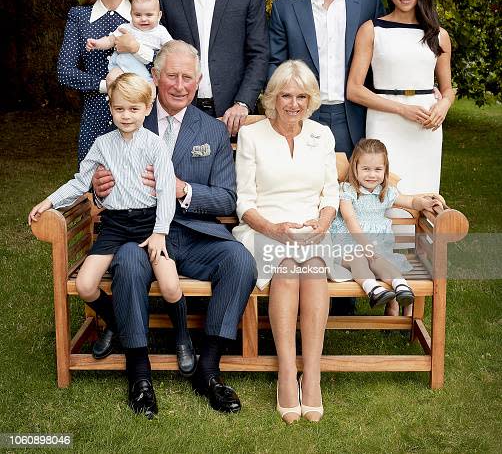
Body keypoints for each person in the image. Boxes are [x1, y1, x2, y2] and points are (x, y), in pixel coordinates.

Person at [93, 40, 257, 419]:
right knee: (130, 266)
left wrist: (183, 189)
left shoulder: (212, 132)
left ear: (198, 81)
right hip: (141, 231)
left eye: (188, 77)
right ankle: (139, 374)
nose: (180, 85)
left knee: (240, 262)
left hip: (196, 233)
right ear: (155, 77)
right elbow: (97, 179)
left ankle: (209, 370)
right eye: (172, 76)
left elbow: (226, 199)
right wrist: (99, 188)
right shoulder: (131, 117)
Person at [28, 74, 194, 376]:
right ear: (110, 108)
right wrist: (50, 201)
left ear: (147, 108)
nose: (126, 116)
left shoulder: (155, 145)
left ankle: (183, 337)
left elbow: (167, 190)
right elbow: (81, 181)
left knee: (170, 286)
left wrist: (160, 232)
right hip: (115, 224)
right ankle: (117, 324)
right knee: (85, 284)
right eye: (119, 109)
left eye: (133, 109)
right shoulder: (103, 144)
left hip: (149, 223)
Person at [233, 60, 350, 424]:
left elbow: (331, 193)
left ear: (311, 99)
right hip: (264, 228)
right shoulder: (253, 136)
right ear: (273, 97)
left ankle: (311, 375)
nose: (293, 103)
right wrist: (273, 228)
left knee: (313, 269)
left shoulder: (321, 135)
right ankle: (286, 372)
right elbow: (244, 203)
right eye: (286, 95)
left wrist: (323, 222)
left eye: (301, 96)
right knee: (286, 269)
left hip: (312, 228)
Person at [346, 0, 454, 314]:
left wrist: (444, 106)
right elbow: (355, 90)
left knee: (422, 206)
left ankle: (414, 295)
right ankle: (393, 280)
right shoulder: (372, 29)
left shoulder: (438, 35)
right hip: (386, 121)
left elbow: (448, 88)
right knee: (388, 200)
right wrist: (401, 109)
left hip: (426, 128)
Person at [268, 0, 385, 157]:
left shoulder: (367, 0)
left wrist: (418, 90)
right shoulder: (285, 7)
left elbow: (384, 56)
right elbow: (274, 65)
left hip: (355, 115)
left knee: (358, 190)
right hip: (304, 115)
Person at [156, 0, 269, 135]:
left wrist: (243, 103)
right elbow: (159, 56)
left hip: (233, 116)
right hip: (180, 112)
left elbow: (259, 54)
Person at [330, 138, 444, 307]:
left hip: (377, 248)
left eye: (377, 169)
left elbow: (411, 202)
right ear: (355, 168)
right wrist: (366, 245)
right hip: (348, 246)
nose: (372, 174)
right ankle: (373, 289)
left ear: (385, 170)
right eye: (366, 169)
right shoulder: (347, 191)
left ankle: (401, 287)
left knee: (381, 261)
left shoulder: (386, 192)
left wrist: (424, 203)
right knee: (358, 259)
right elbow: (350, 219)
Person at [57, 0, 141, 163]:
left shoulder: (143, 15)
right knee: (94, 191)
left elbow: (159, 68)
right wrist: (106, 85)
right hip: (94, 120)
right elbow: (65, 71)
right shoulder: (79, 16)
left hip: (138, 122)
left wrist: (137, 48)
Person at [86, 0, 172, 89]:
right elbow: (110, 40)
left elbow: (171, 48)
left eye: (149, 15)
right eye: (138, 15)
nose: (143, 19)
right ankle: (115, 102)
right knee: (111, 78)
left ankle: (147, 102)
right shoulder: (126, 28)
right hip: (122, 67)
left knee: (150, 89)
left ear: (159, 15)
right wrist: (97, 43)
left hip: (146, 73)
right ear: (131, 14)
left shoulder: (161, 31)